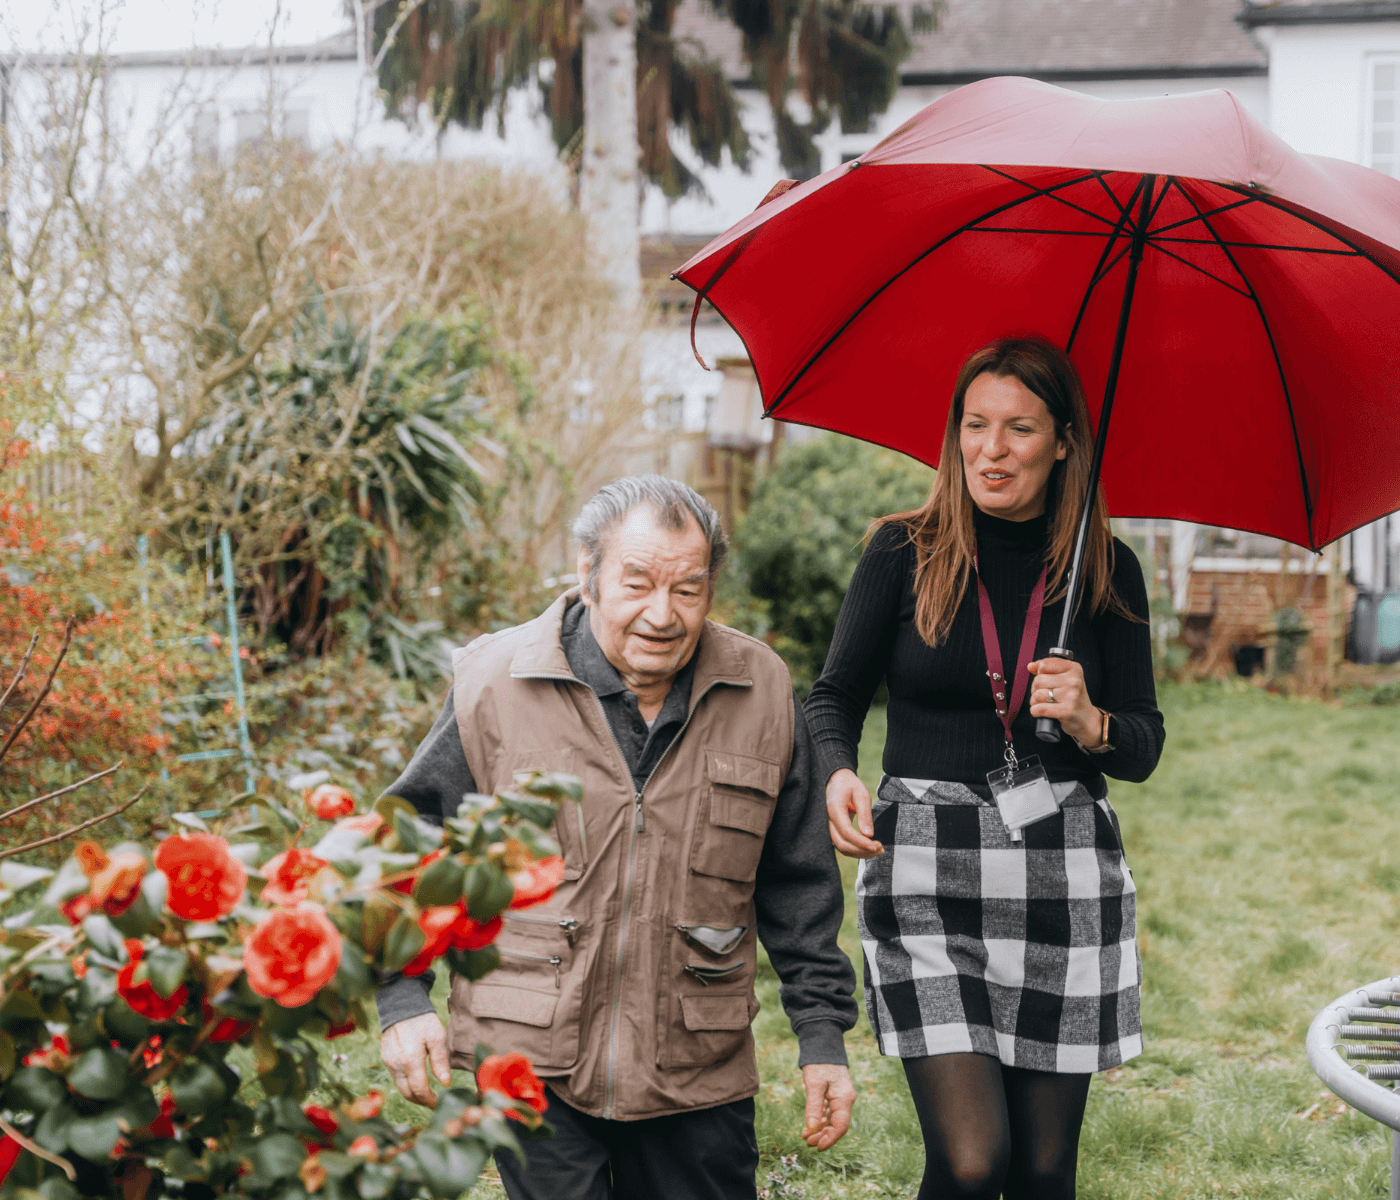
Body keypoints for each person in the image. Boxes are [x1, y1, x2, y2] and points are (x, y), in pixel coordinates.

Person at [375, 475, 859, 1200]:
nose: (661, 614)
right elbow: (413, 841)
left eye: (688, 590)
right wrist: (402, 999)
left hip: (698, 1064)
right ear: (588, 574)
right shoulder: (496, 682)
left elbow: (799, 881)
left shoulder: (761, 689)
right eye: (636, 583)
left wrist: (821, 1036)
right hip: (529, 1058)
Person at [805, 337, 1165, 1200]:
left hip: (1062, 870)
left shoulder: (1106, 571)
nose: (991, 450)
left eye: (1018, 429)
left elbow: (1145, 745)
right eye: (975, 426)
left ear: (1065, 442)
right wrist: (836, 772)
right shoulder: (903, 550)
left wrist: (1091, 720)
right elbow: (831, 697)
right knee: (972, 1164)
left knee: (1044, 1172)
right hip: (925, 868)